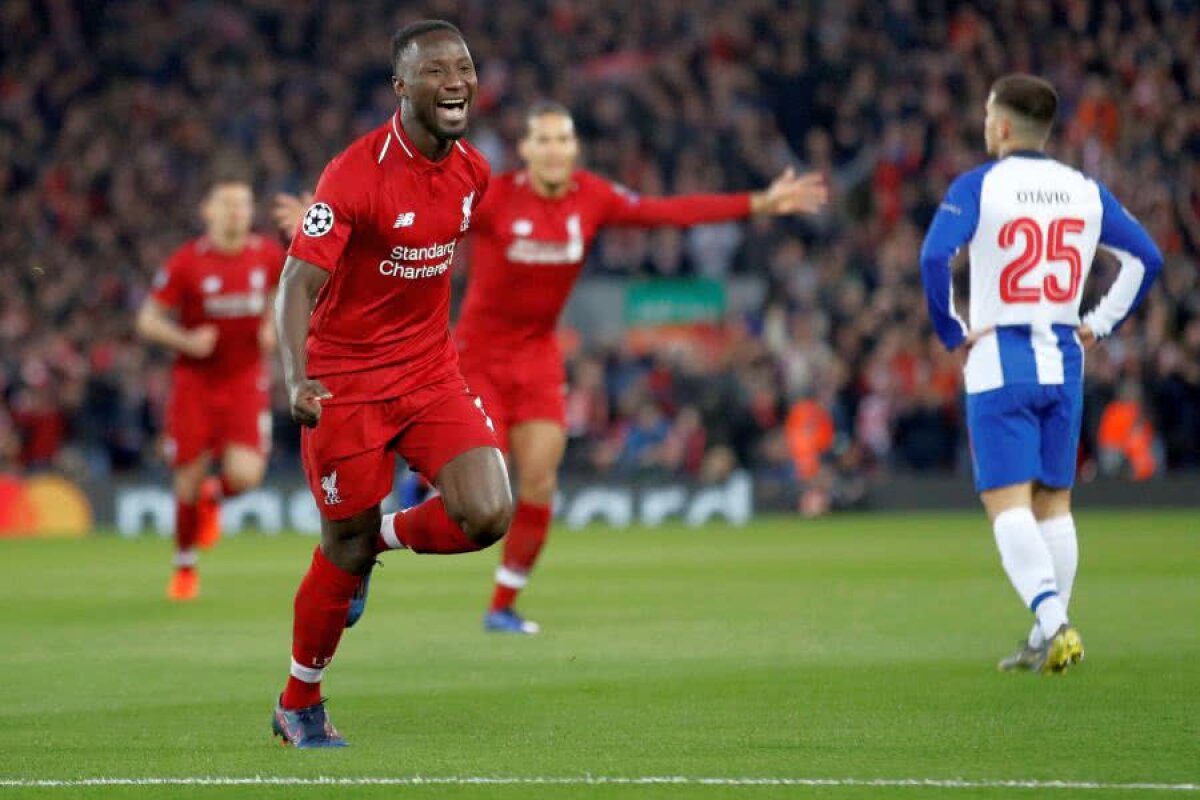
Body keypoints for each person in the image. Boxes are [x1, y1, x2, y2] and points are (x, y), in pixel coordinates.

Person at [276, 102, 827, 634]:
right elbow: (412, 216)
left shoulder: (593, 198)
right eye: (543, 139)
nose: (555, 149)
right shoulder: (493, 195)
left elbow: (666, 211)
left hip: (538, 358)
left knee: (537, 480)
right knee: (456, 473)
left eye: (564, 139)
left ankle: (500, 603)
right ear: (526, 149)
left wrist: (759, 203)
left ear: (575, 147)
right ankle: (366, 538)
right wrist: (334, 220)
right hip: (473, 357)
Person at [269, 20, 512, 748]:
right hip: (344, 382)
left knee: (488, 513)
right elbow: (295, 284)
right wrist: (296, 376)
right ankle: (297, 703)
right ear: (401, 88)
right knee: (338, 548)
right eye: (437, 72)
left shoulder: (474, 171)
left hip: (431, 372)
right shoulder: (353, 174)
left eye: (464, 68)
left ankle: (378, 538)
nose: (456, 83)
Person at [920, 74, 1162, 674]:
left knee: (1007, 505)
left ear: (1002, 126)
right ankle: (1043, 631)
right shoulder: (1084, 189)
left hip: (1000, 358)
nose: (982, 124)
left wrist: (952, 331)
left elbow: (932, 256)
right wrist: (1099, 323)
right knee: (1055, 504)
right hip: (1064, 358)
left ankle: (1055, 625)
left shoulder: (980, 185)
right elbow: (1146, 259)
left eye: (985, 113)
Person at [135, 177, 284, 601]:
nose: (237, 211)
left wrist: (270, 325)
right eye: (228, 204)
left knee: (247, 474)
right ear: (208, 212)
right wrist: (186, 341)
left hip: (244, 379)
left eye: (243, 204)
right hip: (195, 382)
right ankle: (185, 565)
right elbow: (148, 319)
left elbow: (281, 292)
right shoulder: (187, 262)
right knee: (187, 477)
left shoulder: (267, 255)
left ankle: (214, 499)